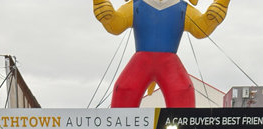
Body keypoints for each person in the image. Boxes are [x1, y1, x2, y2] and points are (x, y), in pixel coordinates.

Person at [93, 0, 232, 108]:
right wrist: (106, 14)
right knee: (124, 89)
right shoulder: (137, 5)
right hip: (145, 61)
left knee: (182, 91)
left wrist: (214, 15)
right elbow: (116, 25)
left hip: (166, 63)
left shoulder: (181, 8)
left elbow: (201, 29)